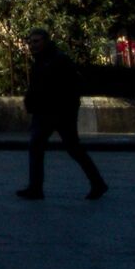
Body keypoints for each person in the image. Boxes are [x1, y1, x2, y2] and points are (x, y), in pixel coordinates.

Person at [17, 28, 106, 201]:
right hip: (45, 111)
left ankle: (97, 183)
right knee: (43, 147)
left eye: (36, 41)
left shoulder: (58, 60)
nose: (32, 45)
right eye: (30, 42)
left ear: (45, 41)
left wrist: (65, 107)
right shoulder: (42, 60)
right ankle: (36, 188)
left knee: (70, 148)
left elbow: (71, 85)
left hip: (57, 112)